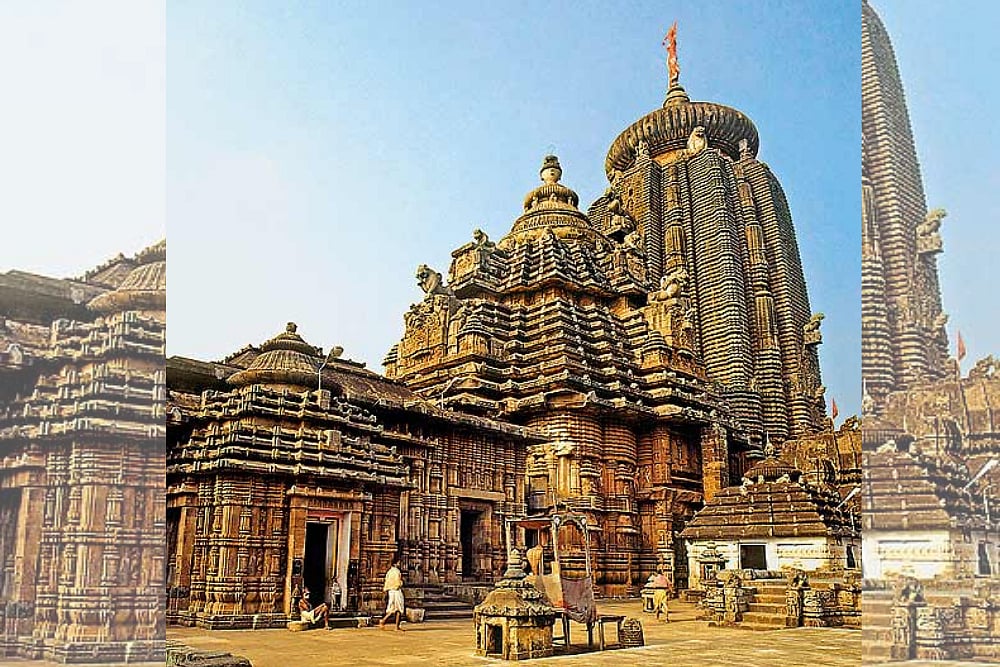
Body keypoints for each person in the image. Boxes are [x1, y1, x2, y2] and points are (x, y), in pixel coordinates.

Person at [379, 557, 405, 631]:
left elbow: (386, 582)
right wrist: (401, 583)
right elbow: (398, 583)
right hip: (396, 591)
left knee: (393, 608)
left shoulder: (389, 572)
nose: (399, 564)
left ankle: (387, 622)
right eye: (399, 562)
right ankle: (385, 622)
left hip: (390, 591)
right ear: (396, 563)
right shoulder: (397, 572)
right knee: (398, 609)